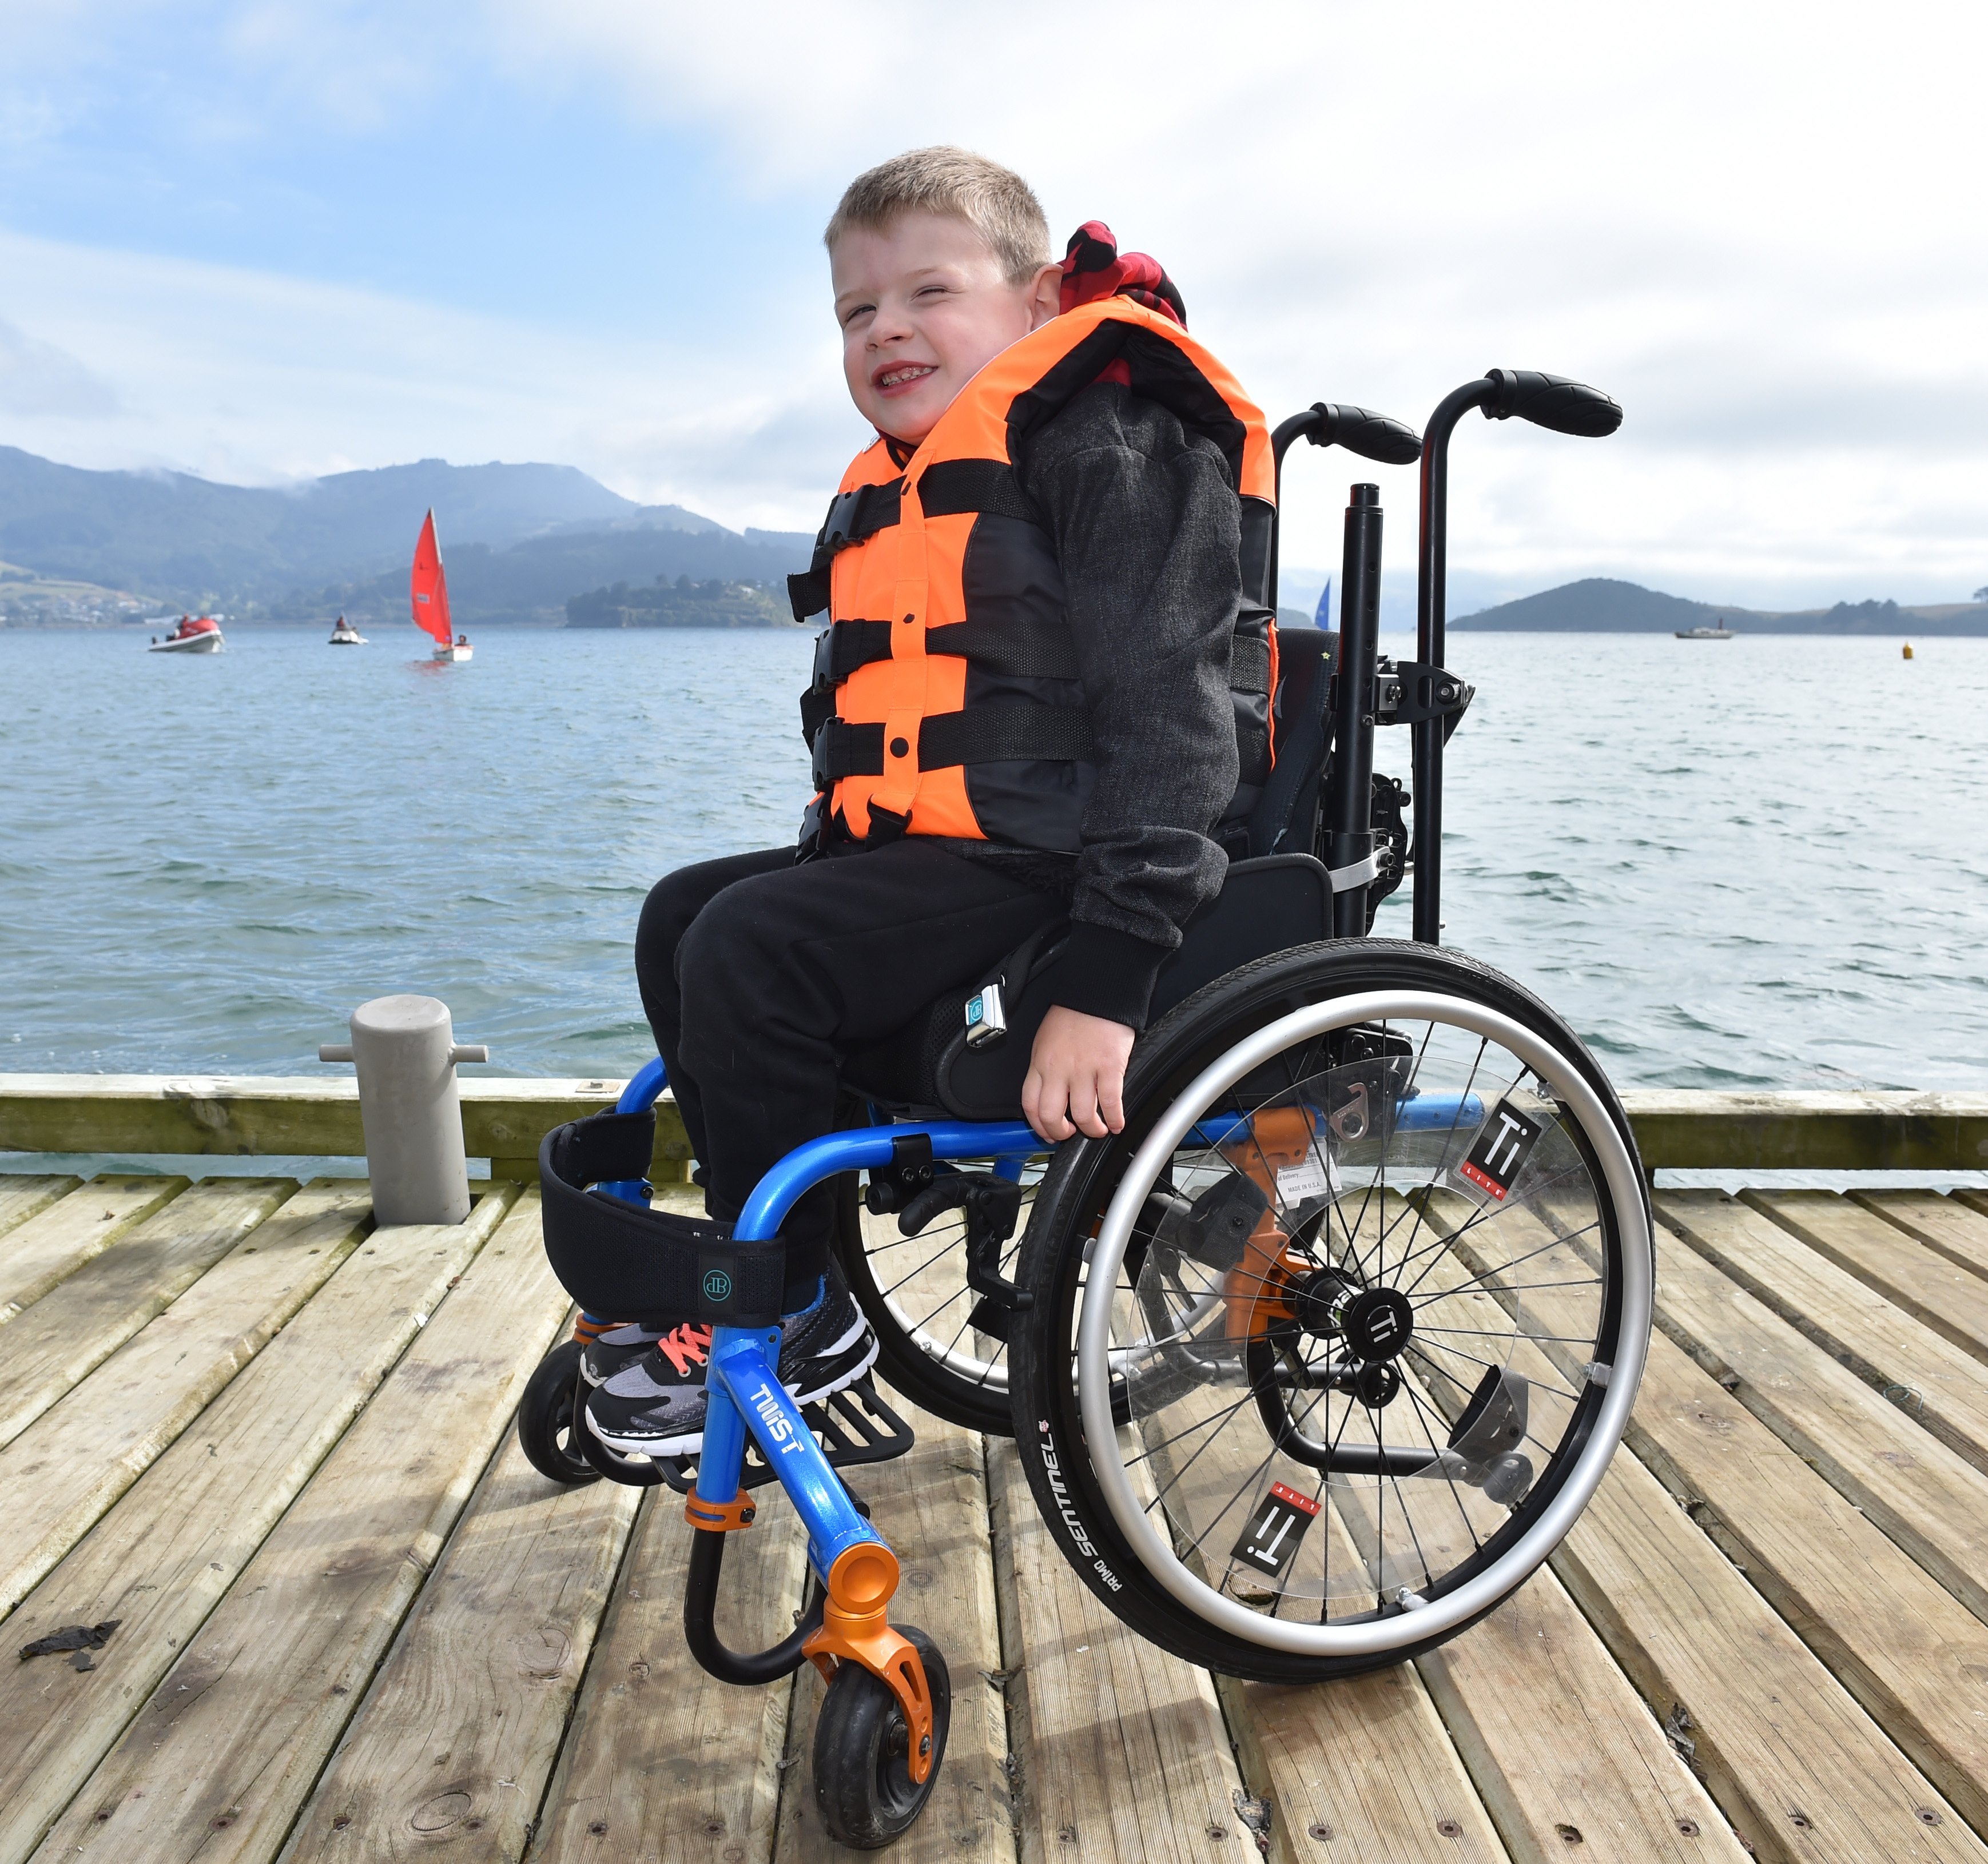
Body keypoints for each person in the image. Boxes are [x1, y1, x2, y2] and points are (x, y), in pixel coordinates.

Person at [584, 146, 1274, 1457]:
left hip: (1072, 866)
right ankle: (806, 1281)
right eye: (856, 312)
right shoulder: (898, 476)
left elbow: (1170, 713)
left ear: (1031, 305)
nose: (886, 329)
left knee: (748, 944)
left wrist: (1109, 972)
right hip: (956, 853)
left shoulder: (1111, 438)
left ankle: (784, 1310)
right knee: (687, 913)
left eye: (926, 293)